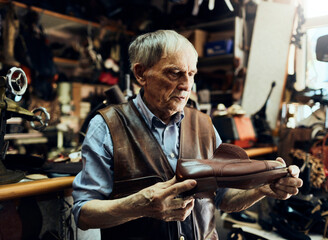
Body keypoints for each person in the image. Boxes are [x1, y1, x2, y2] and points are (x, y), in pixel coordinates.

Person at [72, 30, 303, 240]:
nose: (186, 85)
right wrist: (138, 206)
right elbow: (83, 214)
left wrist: (261, 189)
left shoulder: (204, 125)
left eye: (191, 74)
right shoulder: (107, 126)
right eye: (175, 73)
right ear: (141, 74)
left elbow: (223, 198)